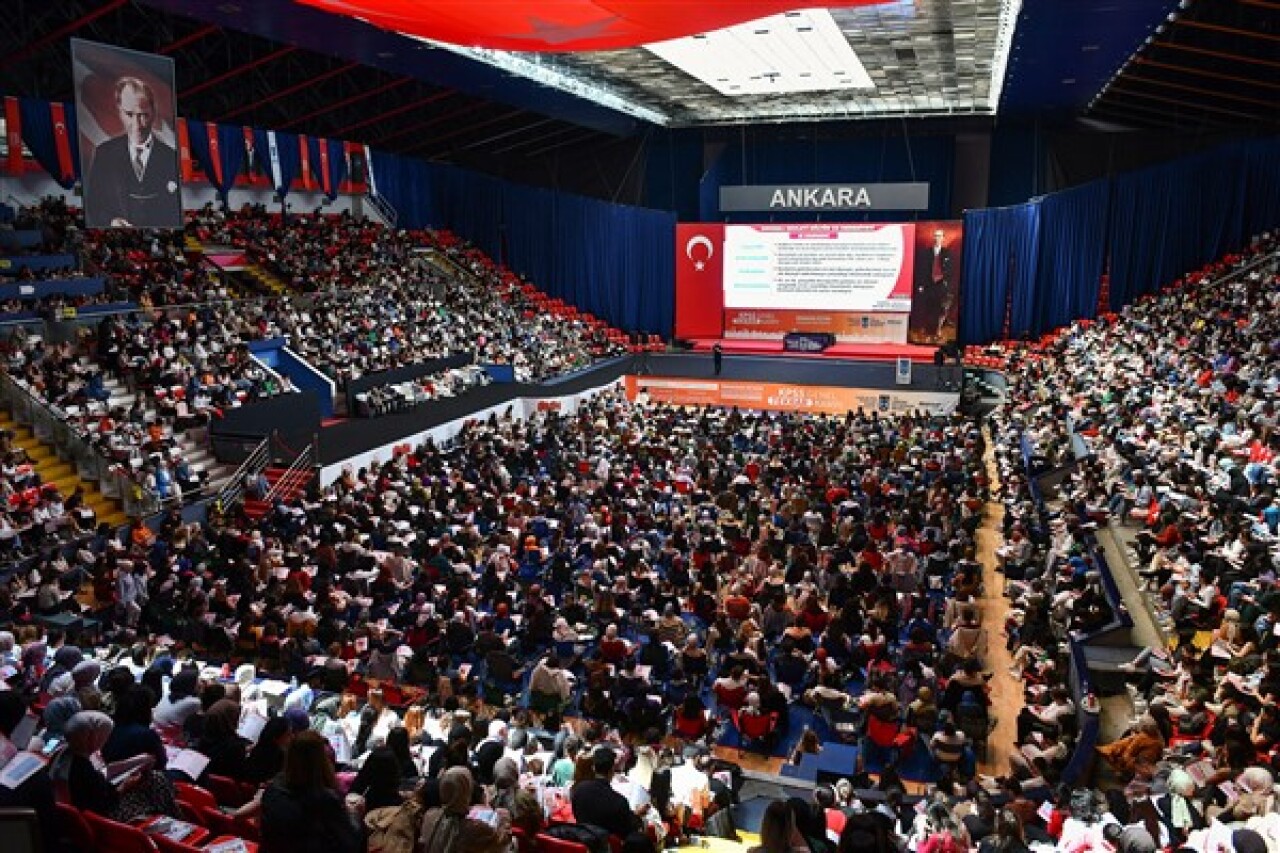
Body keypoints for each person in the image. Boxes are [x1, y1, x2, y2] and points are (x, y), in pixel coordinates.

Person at [83, 76, 182, 228]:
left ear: (153, 113)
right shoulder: (104, 154)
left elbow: (175, 210)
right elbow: (93, 204)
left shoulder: (170, 157)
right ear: (120, 112)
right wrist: (111, 221)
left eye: (143, 115)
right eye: (129, 114)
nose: (137, 125)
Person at [261, 730, 363, 853]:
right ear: (321, 760)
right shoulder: (326, 800)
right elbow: (350, 845)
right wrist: (354, 814)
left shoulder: (272, 789)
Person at [418, 766, 511, 853]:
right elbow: (502, 841)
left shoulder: (430, 815)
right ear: (467, 791)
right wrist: (503, 817)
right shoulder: (474, 829)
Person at [910, 227, 953, 344]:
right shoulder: (926, 252)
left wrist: (945, 281)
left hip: (941, 284)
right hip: (928, 284)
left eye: (940, 236)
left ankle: (936, 332)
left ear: (943, 238)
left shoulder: (947, 253)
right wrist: (921, 285)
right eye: (936, 236)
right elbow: (922, 269)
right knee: (928, 308)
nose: (937, 238)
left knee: (939, 309)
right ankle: (927, 332)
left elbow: (950, 270)